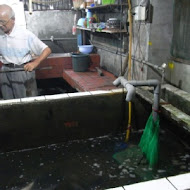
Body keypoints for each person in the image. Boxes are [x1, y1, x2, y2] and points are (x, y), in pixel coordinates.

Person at [0, 4, 51, 99]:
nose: (0, 25)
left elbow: (46, 50)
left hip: (22, 70)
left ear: (13, 19)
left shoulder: (25, 35)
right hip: (4, 71)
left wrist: (35, 63)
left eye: (3, 22)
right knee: (8, 103)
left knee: (26, 102)